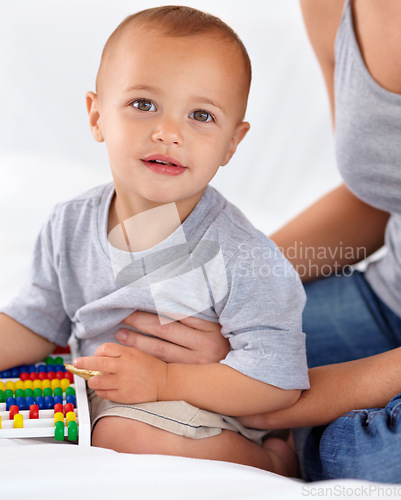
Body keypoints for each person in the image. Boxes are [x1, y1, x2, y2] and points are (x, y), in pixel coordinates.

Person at [110, 0, 401, 489]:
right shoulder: (333, 8)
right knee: (160, 343)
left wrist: (283, 398)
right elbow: (383, 192)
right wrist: (228, 287)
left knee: (399, 457)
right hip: (399, 301)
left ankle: (297, 445)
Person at [0, 6, 310, 476]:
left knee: (119, 435)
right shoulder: (69, 223)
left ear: (232, 143)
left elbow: (278, 383)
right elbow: (37, 320)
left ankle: (270, 460)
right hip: (104, 390)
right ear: (97, 115)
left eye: (201, 115)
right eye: (144, 104)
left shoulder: (241, 254)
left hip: (201, 401)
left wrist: (165, 379)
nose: (168, 133)